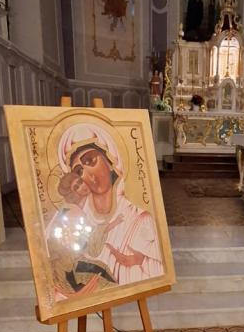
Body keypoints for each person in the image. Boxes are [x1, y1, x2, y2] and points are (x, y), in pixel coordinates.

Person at [46, 122, 164, 296]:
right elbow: (52, 267)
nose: (88, 175)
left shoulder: (139, 218)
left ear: (109, 160)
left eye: (90, 161)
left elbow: (158, 269)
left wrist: (139, 260)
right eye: (78, 171)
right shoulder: (70, 216)